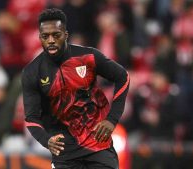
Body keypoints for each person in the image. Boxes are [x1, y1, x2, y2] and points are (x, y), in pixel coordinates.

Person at [22, 8, 130, 169]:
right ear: (40, 38)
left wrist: (112, 119)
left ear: (65, 35)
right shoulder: (32, 72)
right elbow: (31, 118)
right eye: (45, 36)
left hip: (98, 147)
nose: (50, 40)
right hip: (65, 154)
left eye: (56, 35)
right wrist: (46, 140)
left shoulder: (88, 57)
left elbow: (123, 77)